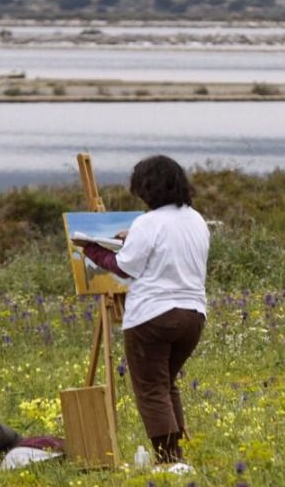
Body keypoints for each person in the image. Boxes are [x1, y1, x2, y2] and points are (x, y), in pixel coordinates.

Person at [74, 155, 209, 465]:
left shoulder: (148, 223)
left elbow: (124, 268)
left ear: (148, 188)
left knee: (150, 389)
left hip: (152, 315)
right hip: (193, 315)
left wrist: (92, 249)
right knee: (165, 385)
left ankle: (168, 460)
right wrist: (129, 239)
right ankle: (176, 458)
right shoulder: (195, 218)